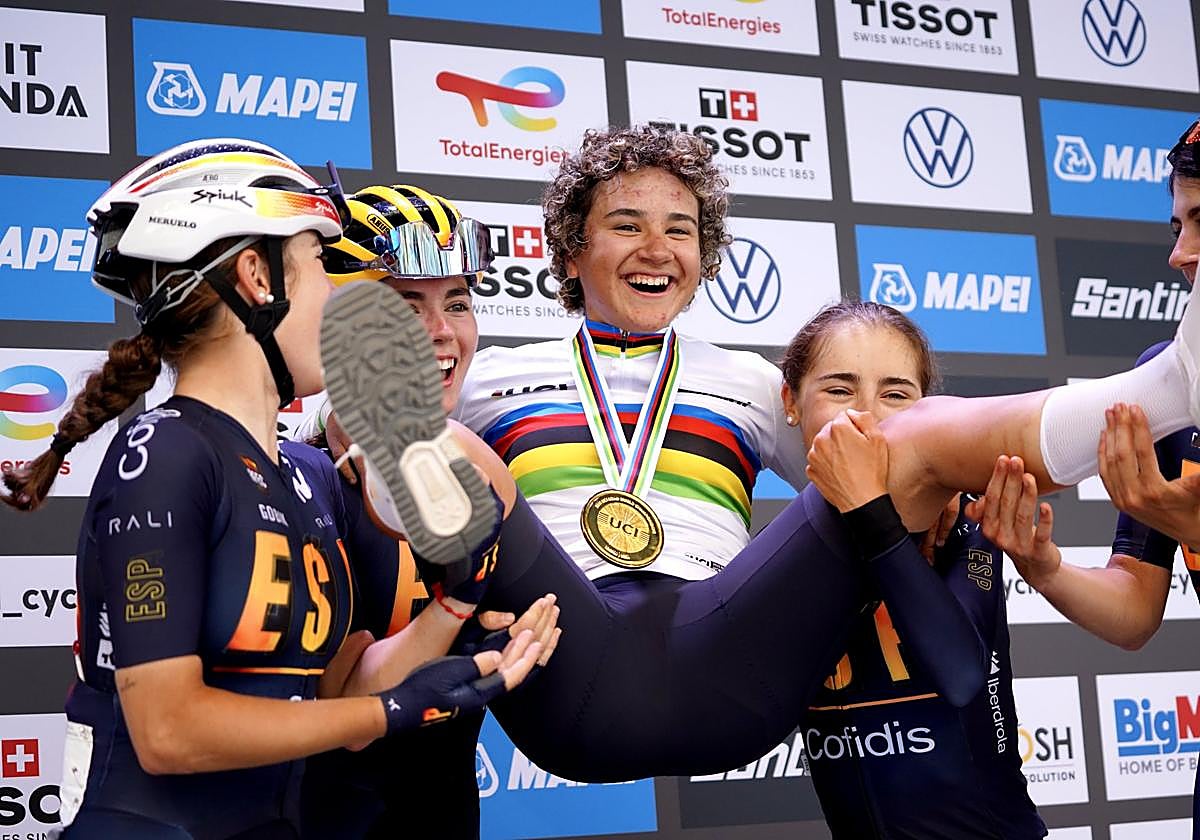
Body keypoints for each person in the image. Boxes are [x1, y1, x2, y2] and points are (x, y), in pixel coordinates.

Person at [313, 125, 1200, 782]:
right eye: (626, 225)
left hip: (729, 661)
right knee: (447, 440)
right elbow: (307, 418)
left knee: (898, 437)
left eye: (683, 229)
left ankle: (1168, 391)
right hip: (563, 663)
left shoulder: (749, 379)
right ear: (570, 248)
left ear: (706, 257)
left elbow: (873, 476)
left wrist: (961, 502)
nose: (658, 248)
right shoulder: (483, 373)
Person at [0, 139, 553, 839]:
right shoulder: (165, 452)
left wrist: (453, 602)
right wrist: (391, 712)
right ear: (258, 279)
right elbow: (167, 731)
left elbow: (334, 701)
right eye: (322, 266)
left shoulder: (311, 474)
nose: (341, 300)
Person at [298, 183, 557, 839]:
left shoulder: (472, 465)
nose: (443, 333)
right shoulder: (292, 480)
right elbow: (344, 717)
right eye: (407, 305)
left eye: (458, 303)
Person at [965, 117, 1200, 834]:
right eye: (1177, 224)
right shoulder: (1174, 378)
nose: (1179, 254)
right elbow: (1134, 610)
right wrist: (1044, 565)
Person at [790, 302, 1044, 839]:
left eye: (896, 394)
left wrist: (871, 515)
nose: (867, 416)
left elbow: (961, 675)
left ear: (928, 410)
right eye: (839, 390)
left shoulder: (962, 527)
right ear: (791, 402)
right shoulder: (782, 556)